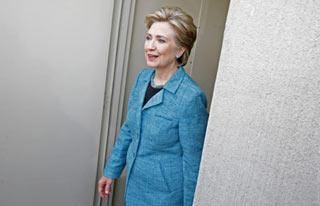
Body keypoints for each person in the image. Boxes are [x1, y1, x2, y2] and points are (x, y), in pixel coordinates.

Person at [98, 6, 208, 206]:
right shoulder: (143, 79)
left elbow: (193, 162)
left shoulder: (191, 98)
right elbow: (129, 129)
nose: (150, 46)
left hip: (165, 197)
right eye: (149, 38)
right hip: (134, 185)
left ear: (181, 50)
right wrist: (111, 171)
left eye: (161, 40)